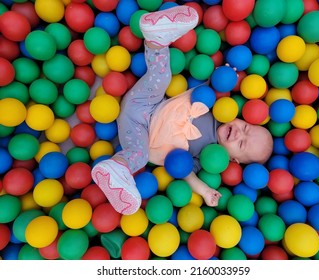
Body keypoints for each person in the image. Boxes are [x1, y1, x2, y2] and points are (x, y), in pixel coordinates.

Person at [91, 5, 273, 215]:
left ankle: (117, 169)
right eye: (246, 127)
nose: (239, 133)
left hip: (138, 132)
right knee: (161, 77)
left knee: (139, 156)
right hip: (146, 101)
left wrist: (205, 191)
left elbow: (186, 173)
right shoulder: (219, 108)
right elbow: (213, 84)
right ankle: (155, 40)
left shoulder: (206, 156)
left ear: (233, 159)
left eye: (241, 143)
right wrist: (226, 73)